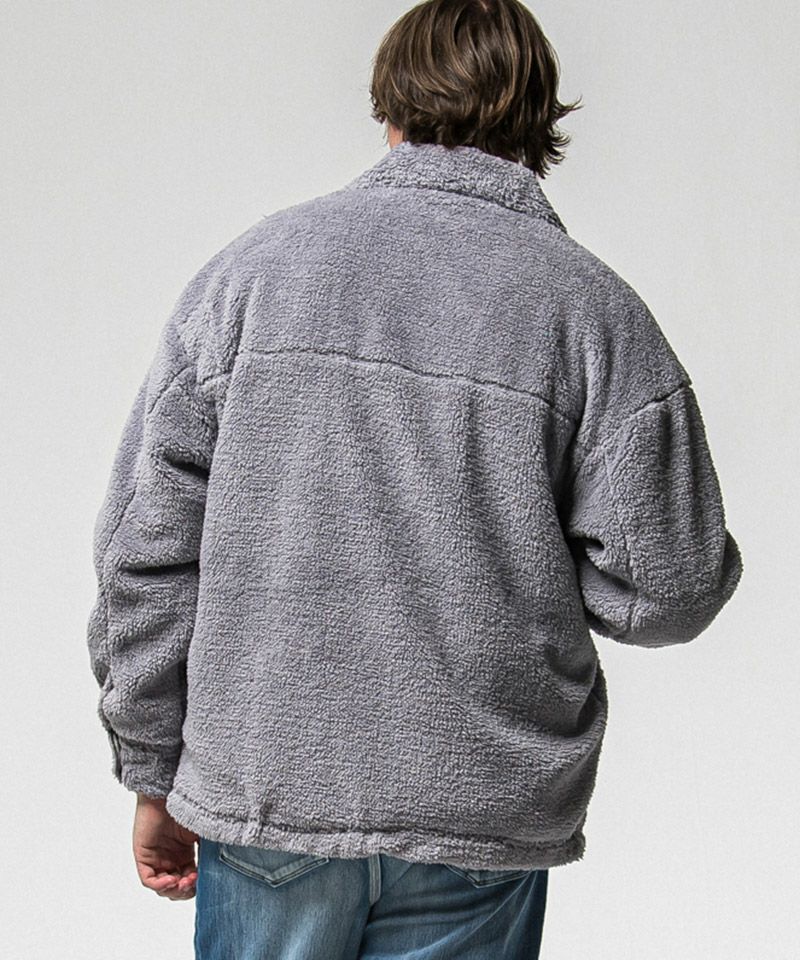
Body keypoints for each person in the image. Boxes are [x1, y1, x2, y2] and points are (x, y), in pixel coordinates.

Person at [85, 1, 744, 957]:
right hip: (481, 804)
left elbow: (143, 552)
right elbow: (674, 587)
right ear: (539, 122)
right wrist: (527, 557)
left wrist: (152, 771)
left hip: (270, 786)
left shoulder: (251, 276)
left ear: (390, 109)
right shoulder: (592, 311)